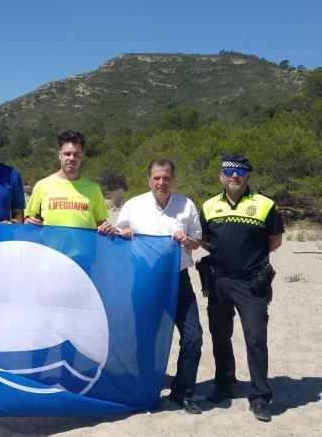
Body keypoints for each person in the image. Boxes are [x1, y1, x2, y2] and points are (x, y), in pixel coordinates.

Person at [199, 153, 283, 422]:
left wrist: (248, 259)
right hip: (218, 280)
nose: (235, 176)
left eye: (240, 171)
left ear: (248, 175)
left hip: (251, 283)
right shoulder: (210, 205)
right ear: (222, 176)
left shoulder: (265, 204)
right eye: (230, 171)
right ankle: (224, 385)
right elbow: (205, 240)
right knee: (220, 335)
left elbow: (275, 241)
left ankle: (259, 397)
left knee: (256, 338)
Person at [116, 159, 203, 414]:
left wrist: (187, 240)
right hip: (145, 282)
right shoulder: (133, 205)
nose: (161, 182)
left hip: (179, 281)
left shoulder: (186, 205)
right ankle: (145, 390)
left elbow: (197, 242)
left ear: (172, 179)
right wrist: (126, 234)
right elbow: (118, 237)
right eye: (156, 178)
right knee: (145, 339)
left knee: (193, 337)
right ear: (149, 180)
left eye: (166, 178)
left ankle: (182, 393)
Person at [24, 130, 115, 234]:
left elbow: (101, 222)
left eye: (76, 154)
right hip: (50, 249)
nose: (72, 158)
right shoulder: (42, 185)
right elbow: (27, 220)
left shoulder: (93, 188)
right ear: (59, 155)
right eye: (67, 154)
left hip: (83, 250)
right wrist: (28, 221)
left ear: (83, 156)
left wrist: (107, 227)